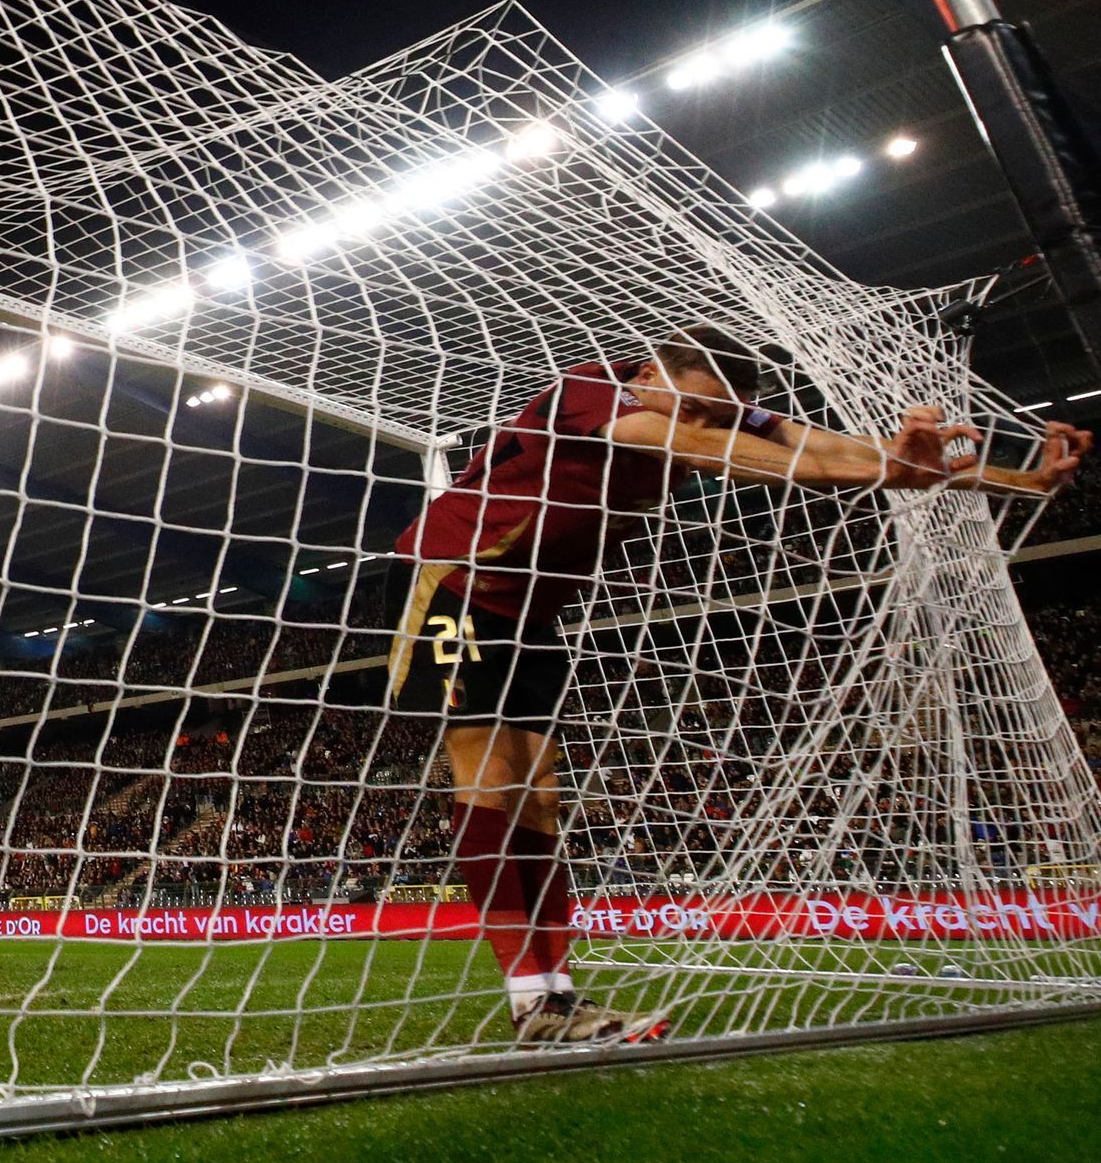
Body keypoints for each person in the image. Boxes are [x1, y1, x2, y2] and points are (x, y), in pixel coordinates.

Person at [387, 325, 1091, 1045]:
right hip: (453, 581)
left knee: (540, 797)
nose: (699, 421)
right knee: (492, 777)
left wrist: (1018, 479)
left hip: (535, 607)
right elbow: (704, 448)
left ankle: (554, 995)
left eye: (719, 413)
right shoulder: (592, 389)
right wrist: (888, 470)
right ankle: (532, 998)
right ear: (654, 375)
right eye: (691, 405)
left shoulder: (707, 410)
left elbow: (818, 445)